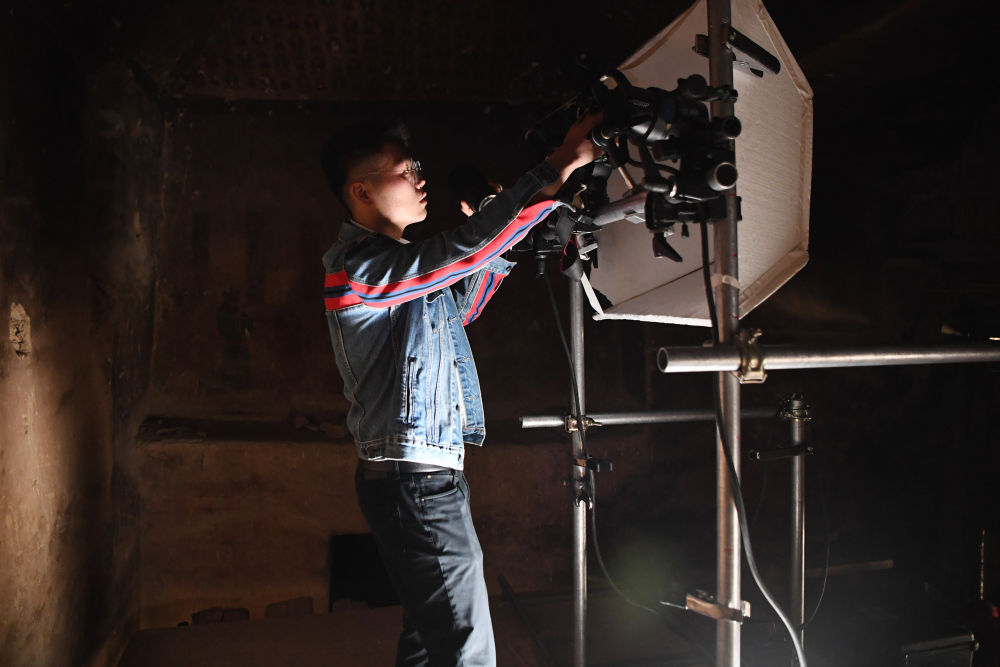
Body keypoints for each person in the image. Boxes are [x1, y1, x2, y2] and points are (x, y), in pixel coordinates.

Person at [320, 114, 599, 666]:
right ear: (362, 191)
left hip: (421, 481)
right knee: (466, 651)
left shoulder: (396, 272)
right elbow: (461, 251)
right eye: (406, 170)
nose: (420, 179)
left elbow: (456, 308)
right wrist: (559, 165)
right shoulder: (359, 268)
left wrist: (498, 242)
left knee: (430, 643)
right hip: (415, 484)